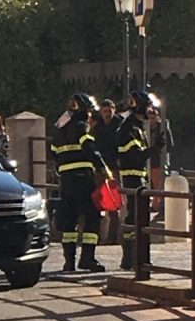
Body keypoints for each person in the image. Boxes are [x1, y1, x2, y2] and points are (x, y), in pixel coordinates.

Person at [50, 91, 110, 273]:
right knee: (92, 216)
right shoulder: (81, 126)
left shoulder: (60, 130)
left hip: (66, 182)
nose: (91, 115)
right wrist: (103, 168)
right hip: (83, 179)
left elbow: (53, 152)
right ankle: (87, 259)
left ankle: (69, 263)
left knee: (69, 221)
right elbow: (89, 147)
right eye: (90, 111)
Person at [116, 90, 156, 271]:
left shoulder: (135, 126)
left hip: (137, 177)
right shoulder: (130, 128)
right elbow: (136, 157)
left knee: (136, 218)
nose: (150, 110)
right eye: (148, 106)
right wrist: (155, 149)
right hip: (133, 179)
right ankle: (133, 259)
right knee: (136, 218)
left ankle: (133, 259)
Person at [92, 100, 121, 243]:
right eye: (104, 110)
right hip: (100, 167)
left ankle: (112, 236)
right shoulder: (98, 127)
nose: (107, 113)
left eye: (109, 110)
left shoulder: (120, 125)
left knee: (113, 202)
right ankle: (97, 234)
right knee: (98, 200)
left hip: (114, 167)